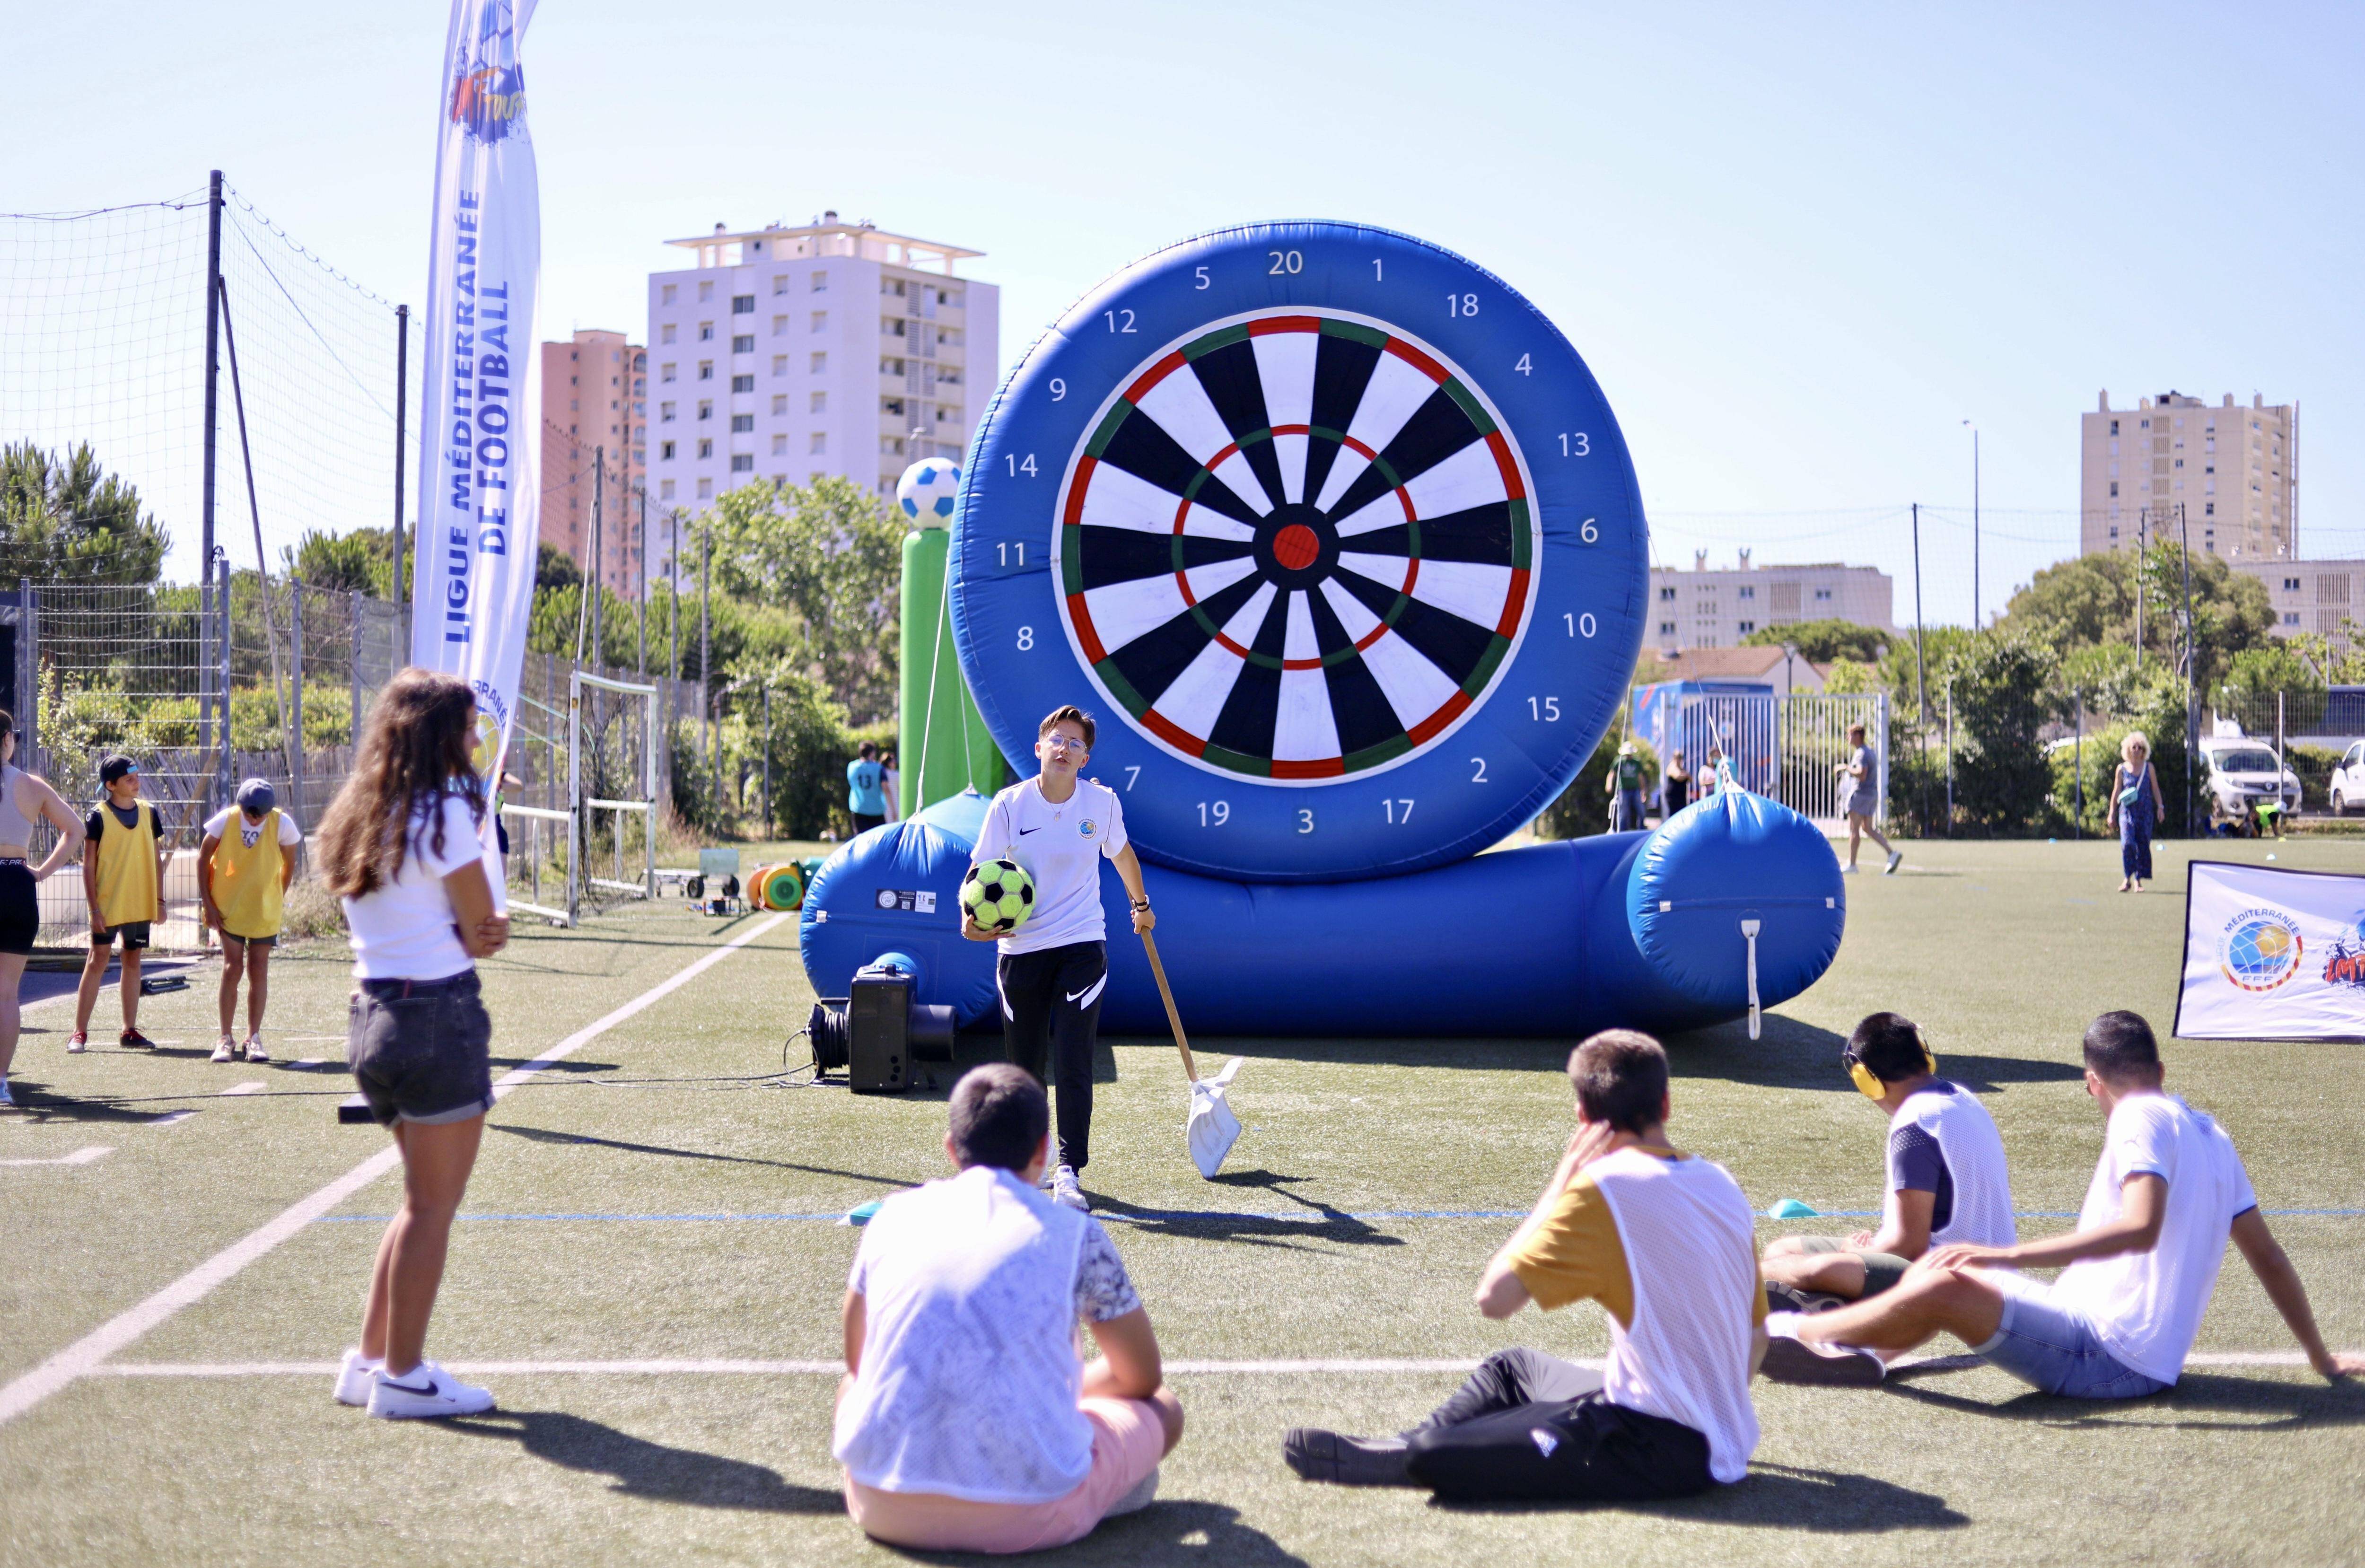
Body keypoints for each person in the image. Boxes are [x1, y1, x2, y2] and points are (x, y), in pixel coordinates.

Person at [1762, 1010, 2365, 1393]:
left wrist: (2006, 1256)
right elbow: (2269, 1258)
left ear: (2091, 1081)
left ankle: (1799, 1333)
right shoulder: (2211, 1133)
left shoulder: (2136, 1119)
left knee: (1940, 1281)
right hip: (2091, 1328)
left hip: (2106, 1355)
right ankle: (1859, 1353)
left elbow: (2139, 1229)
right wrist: (2319, 1358)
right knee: (1945, 1274)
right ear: (2158, 1067)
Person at [1284, 1031, 1764, 1501]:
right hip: (1701, 1423)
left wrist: (1558, 1187)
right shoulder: (1721, 1183)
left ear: (1582, 1114)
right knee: (1512, 1369)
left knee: (1433, 1455)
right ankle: (1399, 1445)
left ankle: (1413, 1452)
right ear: (1664, 1105)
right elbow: (1757, 1332)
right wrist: (1710, 1406)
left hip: (1654, 1445)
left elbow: (1494, 1299)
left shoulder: (1603, 1188)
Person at [835, 1063, 1183, 1552]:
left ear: (951, 1148)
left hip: (882, 1502)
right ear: (1043, 1152)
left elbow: (858, 1362)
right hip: (1031, 1513)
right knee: (1163, 1409)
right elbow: (1141, 1377)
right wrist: (1050, 1386)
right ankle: (1099, 1490)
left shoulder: (892, 1217)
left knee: (853, 1385)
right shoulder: (1076, 1234)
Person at [316, 668, 511, 1419]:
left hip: (371, 1018)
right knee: (433, 1207)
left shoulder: (361, 809)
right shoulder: (446, 813)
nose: (474, 739)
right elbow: (481, 926)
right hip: (436, 1013)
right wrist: (480, 928)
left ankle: (369, 1361)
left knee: (415, 1203)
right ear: (438, 733)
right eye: (466, 727)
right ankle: (403, 1374)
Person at [962, 705, 1155, 1212]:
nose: (1065, 748)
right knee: (1023, 1069)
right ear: (1039, 749)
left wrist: (1141, 906)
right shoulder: (1008, 806)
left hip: (1081, 945)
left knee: (1072, 1059)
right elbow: (980, 874)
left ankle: (1067, 1170)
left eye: (1074, 742)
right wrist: (971, 920)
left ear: (1085, 757)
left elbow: (1122, 855)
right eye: (1056, 739)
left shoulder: (1101, 804)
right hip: (1021, 949)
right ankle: (1027, 1165)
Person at [1761, 1012, 2015, 1309]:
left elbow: (1909, 1246)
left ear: (1866, 1079)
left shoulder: (1915, 1123)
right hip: (1993, 1272)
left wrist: (1852, 1253)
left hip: (1953, 1279)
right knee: (1781, 1251)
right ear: (1925, 1054)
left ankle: (1831, 1332)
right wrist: (1858, 1250)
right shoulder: (1964, 1097)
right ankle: (1832, 1319)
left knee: (1781, 1271)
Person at [0, 710, 88, 1109]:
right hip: (17, 883)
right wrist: (41, 873)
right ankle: (1, 1083)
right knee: (6, 994)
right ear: (7, 740)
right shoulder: (31, 786)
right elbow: (77, 829)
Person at [197, 778, 301, 1064]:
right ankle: (225, 1039)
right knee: (232, 968)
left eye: (260, 816)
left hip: (263, 911)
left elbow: (289, 866)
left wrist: (275, 898)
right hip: (229, 907)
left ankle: (253, 1038)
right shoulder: (226, 821)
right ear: (241, 807)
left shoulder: (283, 825)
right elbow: (204, 857)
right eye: (249, 814)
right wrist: (209, 904)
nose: (254, 820)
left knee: (259, 969)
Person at [70, 755, 168, 1054]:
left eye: (136, 776)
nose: (136, 782)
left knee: (133, 960)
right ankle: (79, 1033)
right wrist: (94, 909)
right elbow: (89, 867)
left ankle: (129, 1030)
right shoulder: (97, 817)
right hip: (108, 905)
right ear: (111, 785)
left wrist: (160, 901)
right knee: (97, 960)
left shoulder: (150, 813)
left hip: (139, 904)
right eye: (129, 779)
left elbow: (156, 860)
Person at [1837, 723, 1901, 875]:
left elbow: (1862, 774)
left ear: (1858, 736)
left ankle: (1852, 864)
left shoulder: (1861, 753)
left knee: (1854, 829)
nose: (1848, 738)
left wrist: (1846, 768)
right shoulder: (1869, 752)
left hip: (1861, 795)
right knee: (1868, 828)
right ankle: (1892, 854)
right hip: (1871, 795)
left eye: (1850, 734)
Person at [2105, 732, 2165, 893]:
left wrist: (2160, 807)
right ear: (2128, 750)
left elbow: (2155, 789)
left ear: (2144, 750)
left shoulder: (2149, 768)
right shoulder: (2122, 769)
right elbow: (2116, 791)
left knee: (2142, 845)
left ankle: (2138, 880)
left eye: (2140, 748)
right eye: (2134, 748)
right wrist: (2112, 813)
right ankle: (2127, 878)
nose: (2137, 750)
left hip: (2145, 813)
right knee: (2127, 844)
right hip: (2127, 813)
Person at [847, 741, 889, 835]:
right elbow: (886, 788)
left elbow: (852, 783)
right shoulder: (879, 768)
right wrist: (893, 809)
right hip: (876, 810)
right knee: (878, 840)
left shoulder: (852, 766)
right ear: (872, 753)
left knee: (860, 840)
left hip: (859, 808)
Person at [1609, 740, 1647, 832]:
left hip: (1635, 789)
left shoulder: (1636, 763)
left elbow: (1640, 777)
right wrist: (1609, 784)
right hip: (1623, 790)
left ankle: (1641, 829)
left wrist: (1643, 791)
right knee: (1624, 813)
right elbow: (1612, 774)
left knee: (1641, 810)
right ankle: (1622, 831)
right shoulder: (1619, 761)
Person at [1661, 748, 1692, 822]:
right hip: (1673, 797)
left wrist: (1685, 775)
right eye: (1677, 757)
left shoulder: (1682, 769)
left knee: (1681, 815)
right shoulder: (1672, 767)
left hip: (1681, 797)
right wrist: (1686, 775)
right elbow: (1678, 777)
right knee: (1673, 815)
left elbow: (1691, 779)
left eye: (1680, 758)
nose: (1679, 760)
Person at [880, 749, 901, 823]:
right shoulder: (896, 775)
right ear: (889, 763)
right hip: (895, 805)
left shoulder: (880, 774)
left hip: (882, 806)